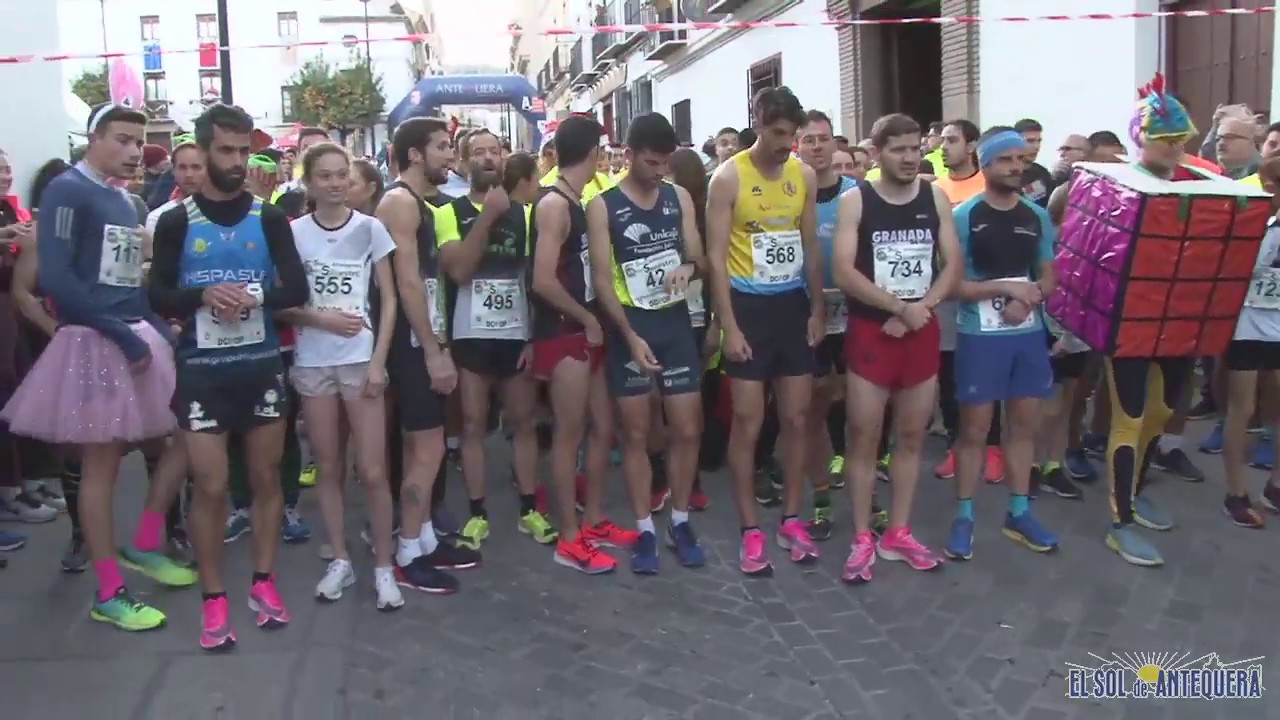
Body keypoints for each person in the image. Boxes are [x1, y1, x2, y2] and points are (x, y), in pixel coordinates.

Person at [3, 103, 194, 630]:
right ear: (94, 139)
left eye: (140, 142)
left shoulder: (124, 200)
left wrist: (156, 329)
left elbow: (127, 282)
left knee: (184, 438)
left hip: (132, 336)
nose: (135, 151)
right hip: (93, 343)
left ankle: (146, 542)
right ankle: (109, 590)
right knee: (102, 466)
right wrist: (122, 336)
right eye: (124, 140)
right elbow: (60, 285)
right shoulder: (67, 190)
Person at [150, 103, 309, 649]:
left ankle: (263, 583)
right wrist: (201, 295)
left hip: (260, 364)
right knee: (213, 486)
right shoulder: (175, 221)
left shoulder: (267, 218)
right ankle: (214, 597)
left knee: (266, 481)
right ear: (203, 149)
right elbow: (158, 294)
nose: (239, 161)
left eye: (245, 150)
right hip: (201, 371)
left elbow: (295, 289)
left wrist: (254, 296)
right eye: (227, 150)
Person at [832, 113, 961, 583]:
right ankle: (863, 535)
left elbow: (951, 264)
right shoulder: (856, 201)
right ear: (879, 152)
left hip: (919, 329)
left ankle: (899, 532)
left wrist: (921, 307)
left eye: (915, 148)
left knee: (910, 438)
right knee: (864, 439)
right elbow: (844, 270)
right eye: (898, 149)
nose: (910, 158)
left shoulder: (935, 197)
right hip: (873, 332)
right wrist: (895, 308)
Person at [280, 142, 403, 609]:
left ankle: (385, 566)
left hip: (359, 359)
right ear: (309, 182)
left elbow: (388, 299)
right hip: (314, 361)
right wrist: (318, 320)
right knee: (328, 467)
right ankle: (341, 561)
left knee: (372, 469)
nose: (334, 184)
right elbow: (284, 302)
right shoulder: (294, 234)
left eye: (341, 175)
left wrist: (378, 361)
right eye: (325, 176)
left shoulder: (370, 228)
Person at [707, 87, 824, 576]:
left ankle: (791, 518)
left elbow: (810, 244)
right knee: (749, 423)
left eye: (792, 135)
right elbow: (714, 257)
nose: (787, 144)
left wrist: (817, 307)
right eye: (779, 134)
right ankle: (751, 528)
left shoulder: (804, 175)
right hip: (748, 310)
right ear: (757, 122)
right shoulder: (728, 177)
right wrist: (728, 324)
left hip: (791, 310)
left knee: (797, 418)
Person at [588, 112, 706, 574]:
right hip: (630, 327)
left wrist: (690, 268)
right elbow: (601, 281)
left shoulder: (678, 197)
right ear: (629, 155)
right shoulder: (602, 205)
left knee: (687, 429)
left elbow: (699, 254)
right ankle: (644, 528)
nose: (660, 172)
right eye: (652, 163)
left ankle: (679, 519)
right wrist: (630, 337)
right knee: (636, 434)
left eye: (665, 164)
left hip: (675, 324)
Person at [945, 127, 1060, 561]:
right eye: (1006, 160)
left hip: (1026, 334)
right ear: (986, 164)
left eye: (1020, 160)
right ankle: (965, 515)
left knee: (1024, 425)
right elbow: (953, 283)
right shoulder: (965, 216)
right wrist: (1009, 289)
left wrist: (1033, 296)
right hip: (981, 337)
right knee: (974, 430)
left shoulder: (1035, 215)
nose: (1016, 167)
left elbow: (1048, 273)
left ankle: (1019, 511)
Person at [531, 114, 638, 574]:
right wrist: (583, 318)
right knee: (568, 436)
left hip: (584, 328)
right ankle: (569, 537)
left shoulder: (576, 199)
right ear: (593, 153)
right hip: (563, 332)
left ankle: (592, 519)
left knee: (602, 425)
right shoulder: (555, 204)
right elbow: (541, 279)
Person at [375, 116, 478, 594]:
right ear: (415, 154)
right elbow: (408, 283)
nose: (449, 157)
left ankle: (425, 542)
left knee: (430, 446)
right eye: (441, 147)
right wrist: (433, 351)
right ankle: (406, 550)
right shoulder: (399, 202)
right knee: (426, 448)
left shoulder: (419, 204)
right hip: (410, 346)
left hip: (424, 339)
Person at [435, 134, 553, 550]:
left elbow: (533, 281)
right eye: (478, 152)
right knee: (472, 425)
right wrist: (487, 218)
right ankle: (478, 514)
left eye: (494, 151)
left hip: (515, 335)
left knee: (523, 423)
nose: (487, 157)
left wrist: (532, 337)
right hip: (470, 336)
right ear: (464, 163)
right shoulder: (449, 213)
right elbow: (460, 272)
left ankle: (528, 509)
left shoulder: (528, 214)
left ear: (504, 159)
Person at [795, 110, 858, 540]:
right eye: (808, 140)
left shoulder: (856, 194)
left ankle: (865, 498)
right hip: (803, 314)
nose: (817, 147)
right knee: (810, 411)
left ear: (835, 144)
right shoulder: (787, 191)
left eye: (823, 139)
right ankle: (819, 498)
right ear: (797, 145)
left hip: (854, 315)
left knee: (859, 411)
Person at [933, 119, 1005, 484]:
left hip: (984, 295)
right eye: (942, 140)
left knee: (986, 374)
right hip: (946, 296)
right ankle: (955, 446)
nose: (943, 146)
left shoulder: (988, 186)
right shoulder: (934, 189)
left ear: (973, 145)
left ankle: (992, 449)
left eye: (951, 140)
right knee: (949, 377)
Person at [1218, 155, 1280, 527]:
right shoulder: (1246, 210)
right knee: (1242, 406)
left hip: (1277, 322)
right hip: (1243, 321)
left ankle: (1275, 485)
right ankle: (1236, 493)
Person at [146, 138, 206, 234]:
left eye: (196, 167)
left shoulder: (223, 213)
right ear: (173, 171)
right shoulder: (158, 218)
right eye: (182, 168)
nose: (189, 174)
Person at [1013, 119, 1054, 207]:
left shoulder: (1042, 173)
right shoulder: (1007, 175)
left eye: (1039, 141)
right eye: (1030, 141)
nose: (1036, 146)